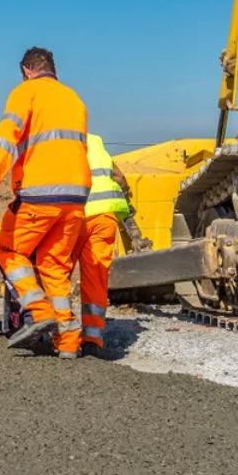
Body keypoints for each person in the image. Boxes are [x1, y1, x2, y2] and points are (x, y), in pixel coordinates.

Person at [0, 46, 90, 359]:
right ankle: (67, 343)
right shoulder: (74, 99)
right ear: (53, 68)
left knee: (9, 249)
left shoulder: (26, 92)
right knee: (53, 267)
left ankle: (39, 312)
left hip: (40, 193)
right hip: (76, 198)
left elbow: (5, 138)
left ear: (26, 70)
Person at [76, 133, 133, 357]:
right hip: (104, 218)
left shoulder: (58, 142)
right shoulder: (97, 144)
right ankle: (92, 339)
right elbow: (119, 177)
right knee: (96, 275)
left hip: (74, 216)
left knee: (56, 272)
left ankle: (63, 338)